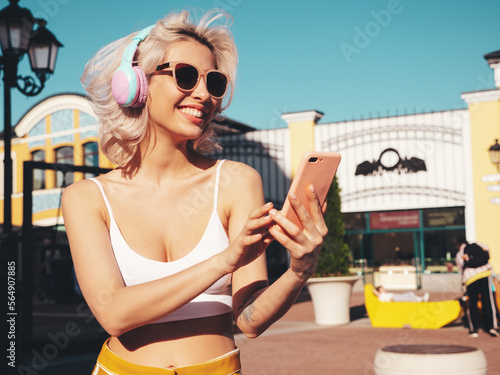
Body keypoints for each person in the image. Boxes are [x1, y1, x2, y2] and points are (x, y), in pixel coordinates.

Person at [62, 9, 328, 374]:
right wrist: (224, 261)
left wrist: (300, 269)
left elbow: (249, 320)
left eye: (214, 82)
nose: (203, 94)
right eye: (186, 76)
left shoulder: (237, 181)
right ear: (136, 84)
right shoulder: (86, 197)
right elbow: (114, 314)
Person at [455, 237, 500, 338]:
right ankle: (492, 326)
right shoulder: (479, 245)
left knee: (472, 304)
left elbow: (461, 267)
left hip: (471, 279)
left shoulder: (459, 254)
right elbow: (487, 252)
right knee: (488, 301)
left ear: (458, 245)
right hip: (485, 274)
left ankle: (473, 329)